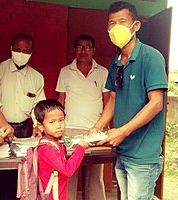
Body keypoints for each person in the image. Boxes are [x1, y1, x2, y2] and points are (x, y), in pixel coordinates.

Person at [89, 1, 168, 200]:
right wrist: (97, 127)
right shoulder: (115, 62)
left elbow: (156, 103)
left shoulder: (151, 57)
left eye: (122, 22)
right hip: (123, 150)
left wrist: (123, 131)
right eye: (111, 23)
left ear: (136, 26)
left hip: (143, 154)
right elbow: (113, 100)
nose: (116, 28)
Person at [56, 34, 109, 200]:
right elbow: (60, 101)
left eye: (87, 47)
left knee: (95, 176)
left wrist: (105, 126)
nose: (83, 50)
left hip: (95, 130)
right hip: (70, 130)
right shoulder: (65, 72)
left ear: (94, 50)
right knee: (68, 172)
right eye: (80, 46)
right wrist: (58, 129)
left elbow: (108, 101)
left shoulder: (103, 72)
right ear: (74, 50)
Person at [0, 33, 45, 138]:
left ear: (31, 53)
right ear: (11, 49)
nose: (21, 54)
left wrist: (37, 126)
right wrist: (0, 129)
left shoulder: (37, 77)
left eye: (25, 51)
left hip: (25, 129)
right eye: (18, 50)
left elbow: (38, 106)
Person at [34, 99, 90, 200]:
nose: (58, 126)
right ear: (41, 126)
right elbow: (68, 170)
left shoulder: (55, 143)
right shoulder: (47, 148)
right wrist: (80, 148)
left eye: (61, 120)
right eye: (52, 122)